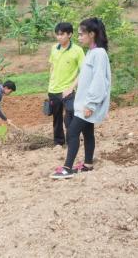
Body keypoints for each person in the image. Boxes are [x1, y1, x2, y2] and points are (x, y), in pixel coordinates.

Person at [51, 17, 111, 179]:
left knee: (71, 132)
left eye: (81, 34)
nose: (79, 37)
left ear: (91, 34)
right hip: (83, 102)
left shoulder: (98, 54)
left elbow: (99, 82)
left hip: (88, 104)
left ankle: (67, 168)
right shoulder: (92, 52)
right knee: (88, 132)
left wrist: (91, 105)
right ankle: (87, 164)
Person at [48, 22, 85, 146]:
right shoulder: (54, 48)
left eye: (62, 35)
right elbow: (52, 66)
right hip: (53, 90)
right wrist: (51, 82)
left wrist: (71, 87)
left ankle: (73, 139)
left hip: (68, 90)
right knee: (56, 118)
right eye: (57, 35)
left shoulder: (77, 51)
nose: (59, 37)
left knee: (71, 114)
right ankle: (59, 143)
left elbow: (83, 71)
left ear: (69, 34)